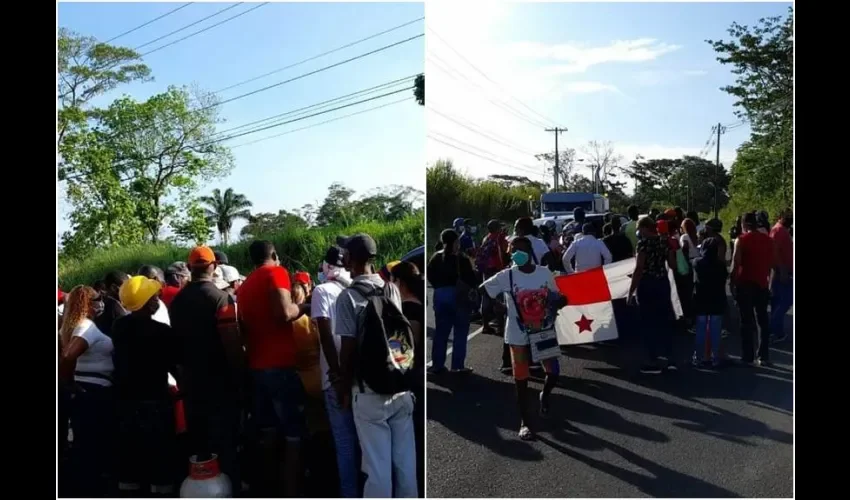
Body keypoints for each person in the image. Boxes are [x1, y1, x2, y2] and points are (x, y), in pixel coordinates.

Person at [336, 233, 418, 498]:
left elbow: (348, 349)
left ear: (349, 258)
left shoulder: (346, 297)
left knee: (377, 470)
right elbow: (397, 336)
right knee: (405, 466)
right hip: (398, 385)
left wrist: (344, 388)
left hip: (368, 393)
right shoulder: (391, 288)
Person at [169, 246, 245, 495]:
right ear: (213, 267)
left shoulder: (177, 302)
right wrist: (241, 378)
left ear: (190, 269)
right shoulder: (221, 299)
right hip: (220, 384)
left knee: (200, 443)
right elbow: (232, 343)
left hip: (191, 384)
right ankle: (229, 488)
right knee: (225, 443)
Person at [237, 240, 308, 497]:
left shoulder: (244, 287)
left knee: (267, 432)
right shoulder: (276, 272)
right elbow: (283, 313)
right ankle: (293, 490)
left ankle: (267, 487)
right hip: (280, 367)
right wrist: (305, 307)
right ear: (275, 255)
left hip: (257, 367)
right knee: (294, 435)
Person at [481, 236, 567, 440]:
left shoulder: (544, 273)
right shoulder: (506, 276)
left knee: (553, 372)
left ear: (529, 252)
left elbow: (556, 296)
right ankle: (525, 423)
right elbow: (483, 290)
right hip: (517, 335)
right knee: (521, 380)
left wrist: (561, 301)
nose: (515, 253)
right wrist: (496, 306)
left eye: (519, 249)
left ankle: (544, 395)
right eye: (512, 250)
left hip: (542, 332)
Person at [112, 276, 181, 495]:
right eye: (153, 297)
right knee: (160, 455)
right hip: (155, 401)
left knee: (130, 454)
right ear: (145, 302)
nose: (157, 300)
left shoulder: (119, 326)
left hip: (125, 401)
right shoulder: (162, 332)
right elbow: (174, 366)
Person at [311, 246, 358, 498]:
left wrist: (338, 376)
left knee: (344, 443)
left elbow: (325, 336)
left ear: (326, 266)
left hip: (336, 377)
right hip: (360, 376)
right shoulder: (357, 287)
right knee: (364, 442)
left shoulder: (322, 291)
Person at [59, 285, 114, 496]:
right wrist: (68, 382)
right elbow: (68, 356)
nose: (101, 302)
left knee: (84, 442)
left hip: (85, 390)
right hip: (93, 393)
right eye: (97, 299)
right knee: (92, 444)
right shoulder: (86, 327)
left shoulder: (70, 326)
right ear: (86, 304)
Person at [390, 261, 426, 499]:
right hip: (417, 375)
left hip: (409, 379)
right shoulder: (418, 306)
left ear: (400, 283)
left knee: (409, 443)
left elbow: (403, 352)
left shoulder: (405, 310)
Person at [627, 217, 678, 374]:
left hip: (647, 285)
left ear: (644, 228)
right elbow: (672, 265)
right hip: (662, 283)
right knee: (664, 320)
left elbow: (639, 268)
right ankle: (670, 359)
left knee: (648, 322)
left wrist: (631, 291)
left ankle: (652, 361)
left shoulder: (643, 244)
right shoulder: (665, 242)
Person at [426, 229, 477, 374]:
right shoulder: (462, 259)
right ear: (456, 242)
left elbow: (430, 276)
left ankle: (437, 365)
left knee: (441, 333)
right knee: (460, 333)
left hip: (441, 295)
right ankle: (457, 366)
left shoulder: (436, 257)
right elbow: (472, 280)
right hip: (458, 296)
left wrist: (439, 287)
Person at [730, 212, 776, 367]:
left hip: (745, 283)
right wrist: (769, 284)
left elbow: (736, 264)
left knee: (746, 320)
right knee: (762, 320)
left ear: (744, 225)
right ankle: (764, 356)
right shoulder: (769, 241)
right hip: (762, 283)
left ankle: (747, 356)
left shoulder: (741, 240)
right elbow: (771, 265)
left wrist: (732, 283)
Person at [691, 238, 728, 367]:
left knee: (701, 329)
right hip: (717, 300)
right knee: (715, 330)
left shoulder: (697, 263)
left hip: (701, 300)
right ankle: (716, 357)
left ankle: (699, 356)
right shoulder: (720, 265)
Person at [476, 219, 510, 336]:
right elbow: (506, 252)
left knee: (486, 297)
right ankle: (500, 327)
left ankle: (485, 325)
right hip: (497, 270)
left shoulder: (486, 238)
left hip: (486, 271)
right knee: (498, 298)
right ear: (497, 228)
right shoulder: (499, 238)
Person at [769, 209, 793, 343]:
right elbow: (775, 251)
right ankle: (774, 329)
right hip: (782, 271)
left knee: (777, 302)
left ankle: (776, 331)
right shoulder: (779, 231)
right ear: (780, 217)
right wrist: (782, 269)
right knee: (786, 300)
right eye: (787, 216)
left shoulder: (780, 230)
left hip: (781, 271)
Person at [95, 270, 129, 337]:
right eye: (126, 287)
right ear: (113, 288)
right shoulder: (116, 308)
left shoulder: (100, 302)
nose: (129, 291)